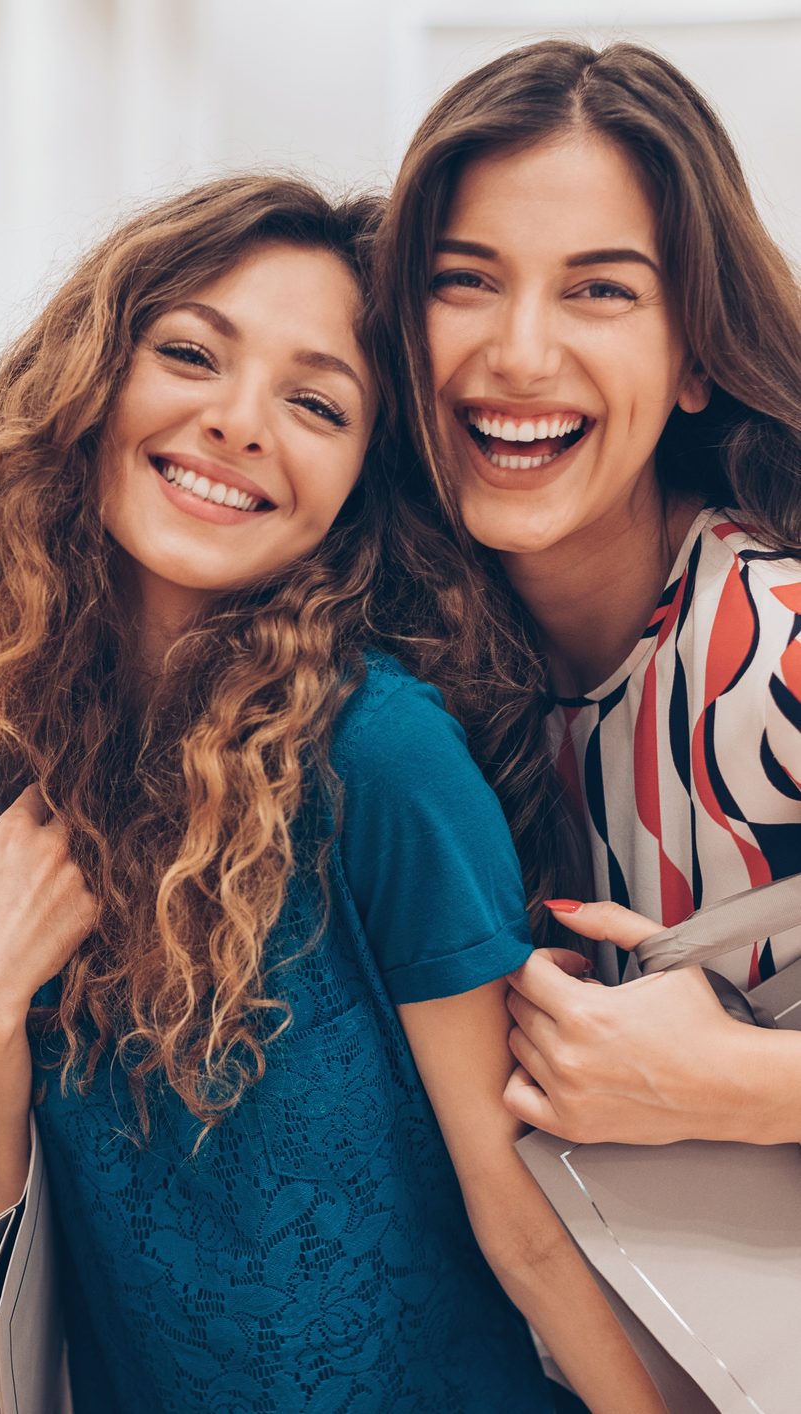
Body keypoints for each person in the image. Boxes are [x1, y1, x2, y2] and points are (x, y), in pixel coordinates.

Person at [0, 175, 661, 1412]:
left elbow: (523, 1222)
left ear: (361, 478)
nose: (241, 423)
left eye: (315, 402)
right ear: (89, 376)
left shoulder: (380, 756)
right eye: (190, 352)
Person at [376, 38, 801, 1146]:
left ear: (695, 355)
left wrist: (742, 1082)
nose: (520, 352)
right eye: (463, 280)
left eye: (599, 289)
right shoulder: (396, 660)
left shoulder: (777, 645)